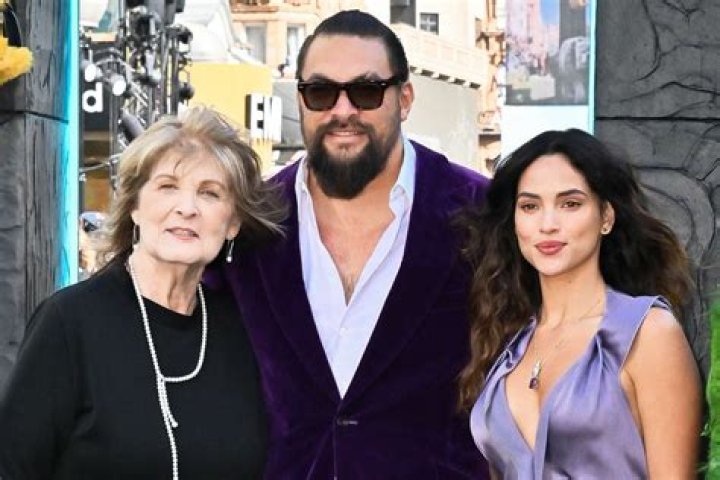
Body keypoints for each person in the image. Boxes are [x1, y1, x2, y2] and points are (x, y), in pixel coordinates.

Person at [209, 9, 490, 479]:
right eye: (321, 92)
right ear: (301, 99)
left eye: (366, 91)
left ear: (404, 99)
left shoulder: (483, 211)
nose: (342, 111)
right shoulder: (250, 222)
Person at [0, 106, 285, 480]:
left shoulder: (243, 329)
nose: (187, 208)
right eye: (168, 186)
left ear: (233, 222)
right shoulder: (69, 322)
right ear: (134, 205)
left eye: (209, 193)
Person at [458, 129, 702, 478]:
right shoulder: (507, 341)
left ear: (606, 217)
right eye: (530, 206)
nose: (547, 224)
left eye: (570, 204)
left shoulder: (647, 333)